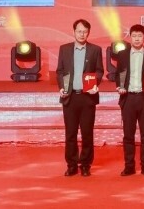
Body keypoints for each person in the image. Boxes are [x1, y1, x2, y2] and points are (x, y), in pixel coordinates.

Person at [56, 19, 104, 177]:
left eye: (85, 32)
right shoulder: (64, 49)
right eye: (79, 31)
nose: (82, 34)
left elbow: (99, 71)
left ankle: (85, 164)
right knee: (70, 134)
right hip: (70, 97)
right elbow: (60, 71)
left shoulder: (95, 50)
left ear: (88, 33)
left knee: (87, 133)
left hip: (87, 98)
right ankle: (71, 165)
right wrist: (61, 87)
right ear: (74, 32)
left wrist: (95, 83)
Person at [116, 24, 144, 176]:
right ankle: (129, 166)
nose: (136, 39)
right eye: (134, 36)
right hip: (128, 98)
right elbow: (118, 75)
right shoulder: (122, 54)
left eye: (139, 36)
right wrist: (119, 86)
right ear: (130, 37)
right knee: (128, 135)